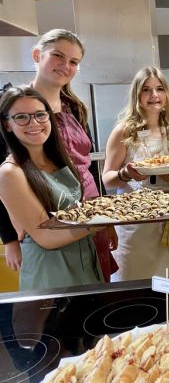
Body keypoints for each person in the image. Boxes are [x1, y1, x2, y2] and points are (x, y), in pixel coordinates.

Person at [0, 29, 117, 281]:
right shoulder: (13, 108)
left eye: (74, 62)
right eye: (58, 56)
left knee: (94, 286)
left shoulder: (75, 107)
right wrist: (9, 239)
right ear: (36, 55)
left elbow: (88, 167)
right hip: (47, 218)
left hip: (89, 211)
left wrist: (105, 218)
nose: (66, 66)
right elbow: (4, 184)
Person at [0, 86, 103, 290]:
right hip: (51, 271)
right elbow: (45, 237)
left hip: (84, 259)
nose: (34, 123)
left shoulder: (58, 158)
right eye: (21, 117)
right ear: (7, 125)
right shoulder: (11, 172)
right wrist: (97, 223)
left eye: (40, 114)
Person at [102, 67, 169, 280]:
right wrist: (126, 174)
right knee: (132, 284)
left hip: (168, 220)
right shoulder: (124, 131)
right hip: (135, 224)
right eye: (146, 90)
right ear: (137, 95)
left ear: (167, 94)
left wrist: (164, 171)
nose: (154, 95)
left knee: (168, 287)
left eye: (159, 89)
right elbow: (107, 180)